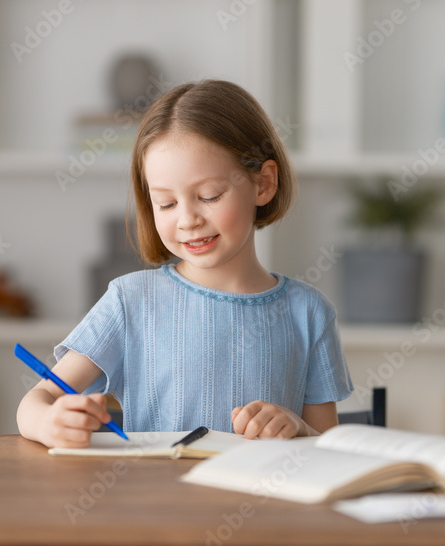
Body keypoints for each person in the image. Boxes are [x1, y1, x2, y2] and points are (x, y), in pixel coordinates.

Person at [17, 80, 353, 448]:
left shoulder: (309, 313)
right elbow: (36, 402)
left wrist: (298, 428)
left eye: (208, 196)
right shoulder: (131, 301)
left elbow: (331, 449)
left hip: (263, 501)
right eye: (166, 203)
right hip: (162, 503)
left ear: (263, 183)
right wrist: (50, 422)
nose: (188, 219)